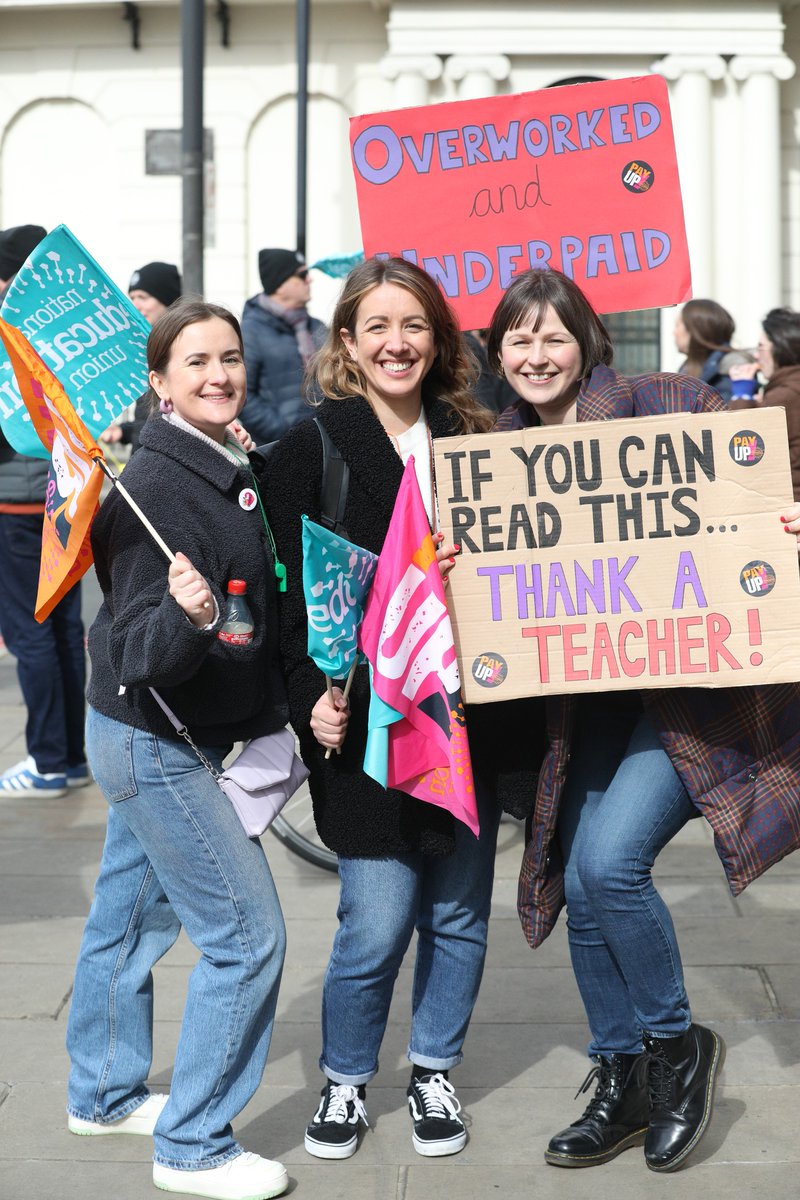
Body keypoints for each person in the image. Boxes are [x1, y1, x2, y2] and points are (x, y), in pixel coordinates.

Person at [486, 268, 800, 1174]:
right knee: (579, 885)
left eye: (552, 337)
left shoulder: (663, 400)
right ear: (498, 352)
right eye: (518, 340)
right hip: (580, 705)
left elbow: (752, 485)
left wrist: (778, 520)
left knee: (607, 865)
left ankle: (676, 1047)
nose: (536, 356)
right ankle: (621, 1075)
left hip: (688, 697)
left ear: (587, 340)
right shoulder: (493, 451)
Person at [264, 256, 536, 1161]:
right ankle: (346, 1080)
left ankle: (431, 1071)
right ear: (347, 341)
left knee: (458, 914)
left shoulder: (480, 437)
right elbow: (289, 609)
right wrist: (311, 702)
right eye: (377, 325)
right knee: (375, 922)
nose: (396, 343)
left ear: (439, 339)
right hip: (370, 733)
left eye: (413, 324)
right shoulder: (311, 447)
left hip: (469, 722)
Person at [66, 299, 290, 1200]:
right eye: (194, 362)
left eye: (229, 357)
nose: (218, 374)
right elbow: (137, 651)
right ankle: (194, 1145)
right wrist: (192, 619)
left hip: (150, 737)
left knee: (130, 917)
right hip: (156, 741)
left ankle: (105, 1093)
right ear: (158, 382)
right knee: (246, 936)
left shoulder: (222, 456)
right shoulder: (152, 488)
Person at [0, 222, 90, 799]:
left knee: (31, 634)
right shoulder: (65, 331)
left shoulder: (9, 335)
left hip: (15, 504)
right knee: (61, 629)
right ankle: (72, 758)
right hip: (64, 498)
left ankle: (48, 762)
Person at [241, 247, 326, 444]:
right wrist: (285, 432)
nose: (309, 279)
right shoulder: (250, 331)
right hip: (276, 448)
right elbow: (243, 395)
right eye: (302, 274)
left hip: (321, 444)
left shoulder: (318, 327)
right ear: (280, 285)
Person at [100, 261, 183, 454]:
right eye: (132, 297)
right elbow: (149, 418)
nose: (135, 305)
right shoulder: (148, 345)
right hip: (143, 460)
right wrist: (123, 431)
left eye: (143, 297)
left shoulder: (181, 346)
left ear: (166, 299)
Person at [729, 307, 800, 500]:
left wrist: (741, 396)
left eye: (760, 347)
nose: (756, 356)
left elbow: (743, 452)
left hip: (789, 504)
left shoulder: (785, 395)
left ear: (779, 348)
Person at [673, 298, 751, 404]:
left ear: (695, 330)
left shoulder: (731, 368)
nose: (674, 332)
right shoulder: (688, 367)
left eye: (677, 325)